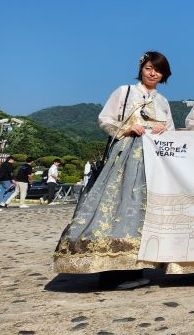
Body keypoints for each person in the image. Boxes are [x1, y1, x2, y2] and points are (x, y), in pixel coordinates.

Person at [54, 51, 174, 288]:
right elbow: (105, 119)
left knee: (142, 210)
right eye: (149, 68)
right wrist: (128, 128)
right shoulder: (124, 91)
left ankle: (135, 268)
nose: (153, 73)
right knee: (117, 205)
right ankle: (110, 271)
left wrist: (163, 130)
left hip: (153, 160)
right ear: (141, 68)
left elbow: (171, 129)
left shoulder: (163, 101)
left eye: (158, 70)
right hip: (125, 157)